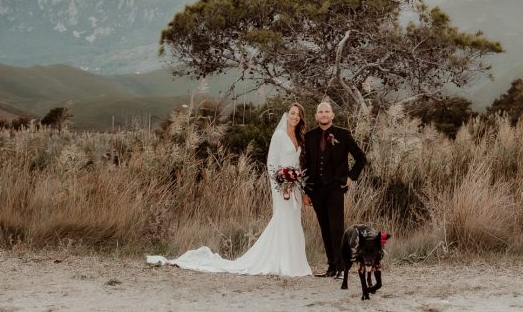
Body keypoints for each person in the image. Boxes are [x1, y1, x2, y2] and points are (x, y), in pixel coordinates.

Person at [146, 103, 312, 276]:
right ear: (287, 115)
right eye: (292, 113)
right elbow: (271, 162)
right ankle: (282, 262)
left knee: (294, 220)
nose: (295, 117)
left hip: (295, 186)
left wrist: (297, 181)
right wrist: (280, 181)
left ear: (300, 118)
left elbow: (297, 163)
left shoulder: (299, 136)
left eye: (298, 115)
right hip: (282, 187)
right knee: (283, 219)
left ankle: (296, 263)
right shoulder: (279, 135)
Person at [302, 101, 367, 278]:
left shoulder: (343, 134)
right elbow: (306, 165)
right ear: (316, 116)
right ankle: (331, 266)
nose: (323, 114)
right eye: (320, 112)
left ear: (332, 115)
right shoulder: (309, 137)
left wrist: (351, 177)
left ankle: (341, 267)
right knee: (324, 228)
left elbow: (361, 158)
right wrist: (306, 192)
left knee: (336, 228)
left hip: (336, 187)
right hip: (316, 190)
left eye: (327, 111)